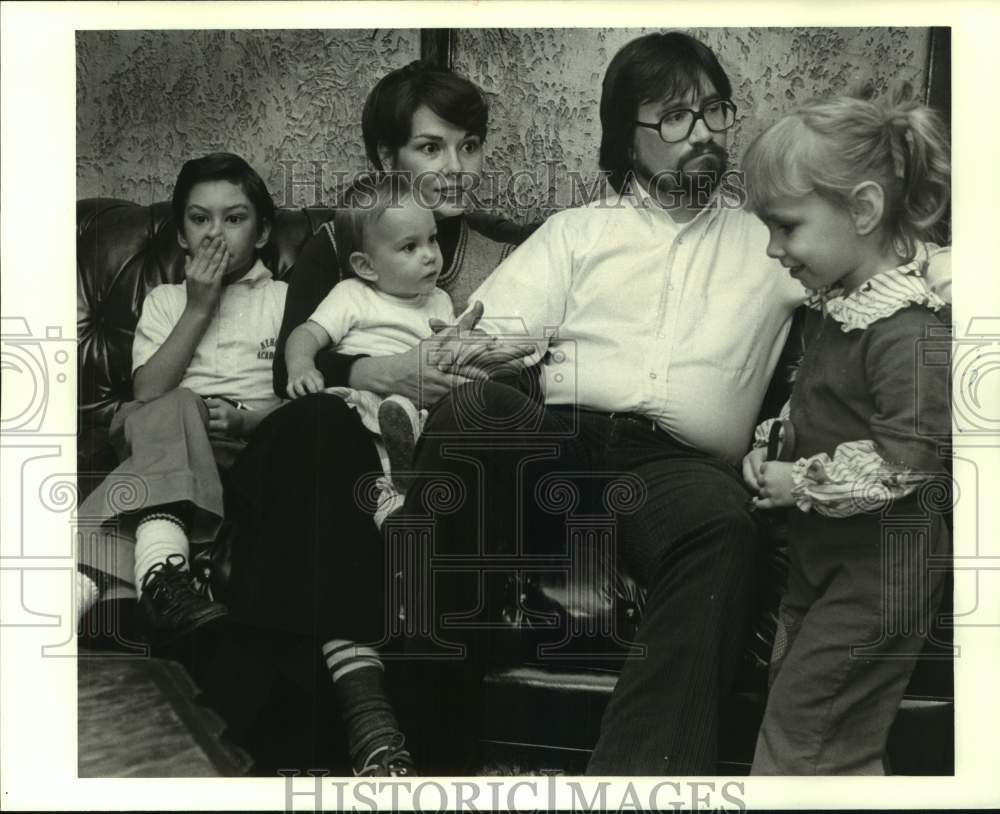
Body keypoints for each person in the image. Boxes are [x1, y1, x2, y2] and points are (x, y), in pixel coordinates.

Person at [398, 32, 951, 775]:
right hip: (558, 441)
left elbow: (904, 261)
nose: (702, 133)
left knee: (726, 528)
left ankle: (638, 780)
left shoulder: (779, 236)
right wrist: (473, 348)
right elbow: (496, 328)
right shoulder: (576, 232)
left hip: (674, 470)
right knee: (471, 419)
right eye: (673, 117)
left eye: (714, 112)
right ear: (625, 137)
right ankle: (431, 754)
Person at [209, 61, 534, 777]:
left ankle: (332, 732)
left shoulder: (504, 256)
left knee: (386, 470)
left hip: (434, 455)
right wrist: (376, 373)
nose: (456, 167)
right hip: (336, 444)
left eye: (469, 146)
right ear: (387, 157)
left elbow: (520, 385)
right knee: (320, 431)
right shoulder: (337, 242)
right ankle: (363, 732)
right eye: (431, 147)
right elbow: (294, 370)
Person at [740, 90, 951, 774]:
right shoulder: (838, 311)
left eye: (787, 226)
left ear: (861, 210)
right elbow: (823, 403)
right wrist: (775, 441)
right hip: (823, 564)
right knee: (822, 734)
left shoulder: (908, 330)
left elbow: (908, 459)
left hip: (878, 578)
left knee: (806, 738)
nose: (773, 249)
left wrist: (799, 480)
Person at [76, 152, 286, 644]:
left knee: (143, 449)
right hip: (163, 434)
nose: (215, 234)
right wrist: (198, 307)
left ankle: (116, 583)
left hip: (243, 445)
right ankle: (159, 580)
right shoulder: (166, 301)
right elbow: (149, 391)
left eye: (234, 219)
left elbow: (302, 399)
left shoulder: (283, 300)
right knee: (162, 405)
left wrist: (245, 421)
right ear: (180, 235)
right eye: (199, 219)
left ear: (260, 234)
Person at [284, 173, 455, 495]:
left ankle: (396, 491)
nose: (430, 254)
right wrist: (301, 366)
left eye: (432, 239)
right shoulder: (352, 294)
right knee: (335, 406)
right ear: (366, 266)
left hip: (415, 407)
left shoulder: (441, 301)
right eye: (410, 247)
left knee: (424, 425)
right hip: (356, 401)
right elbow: (306, 334)